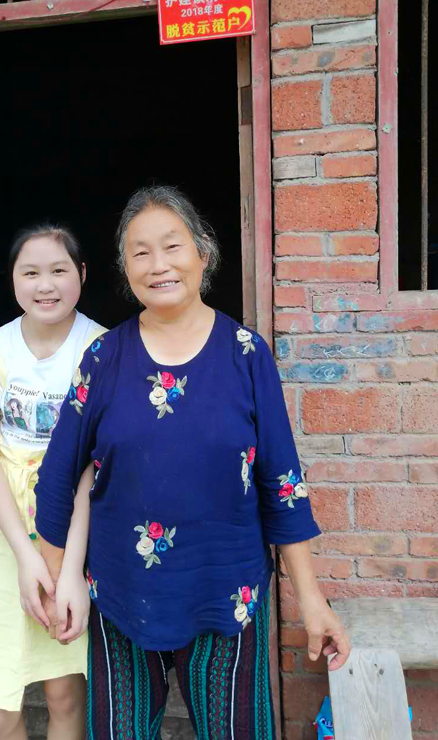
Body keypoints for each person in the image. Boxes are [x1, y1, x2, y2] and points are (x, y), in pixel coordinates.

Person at [35, 186, 351, 740]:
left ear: (203, 254)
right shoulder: (104, 358)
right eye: (140, 252)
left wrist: (312, 602)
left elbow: (283, 485)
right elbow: (59, 475)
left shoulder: (247, 355)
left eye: (172, 246)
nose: (158, 265)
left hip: (226, 594)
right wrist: (59, 579)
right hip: (121, 595)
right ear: (125, 268)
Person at [0, 223, 106, 740]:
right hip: (3, 535)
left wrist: (69, 570)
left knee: (65, 691)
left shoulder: (102, 348)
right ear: (13, 279)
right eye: (31, 272)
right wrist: (25, 555)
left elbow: (94, 466)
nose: (46, 285)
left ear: (82, 274)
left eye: (59, 270)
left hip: (72, 526)